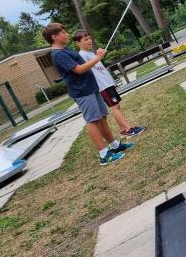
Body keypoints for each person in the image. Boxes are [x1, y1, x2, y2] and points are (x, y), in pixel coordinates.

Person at [44, 23, 133, 166]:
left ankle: (115, 145)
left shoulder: (65, 50)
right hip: (82, 91)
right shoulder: (58, 54)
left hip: (91, 88)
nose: (67, 34)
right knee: (92, 121)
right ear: (54, 36)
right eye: (63, 32)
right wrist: (97, 58)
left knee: (102, 118)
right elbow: (78, 70)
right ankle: (104, 154)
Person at [74, 30, 146, 139]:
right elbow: (86, 69)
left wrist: (98, 56)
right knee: (114, 106)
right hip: (102, 86)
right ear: (78, 43)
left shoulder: (90, 53)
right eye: (86, 39)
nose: (90, 40)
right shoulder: (82, 55)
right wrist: (98, 56)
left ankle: (123, 129)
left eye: (89, 38)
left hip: (107, 83)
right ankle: (128, 129)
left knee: (116, 105)